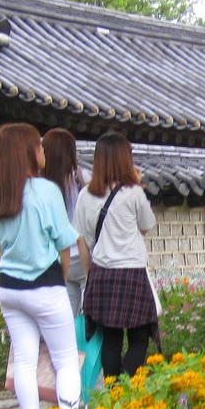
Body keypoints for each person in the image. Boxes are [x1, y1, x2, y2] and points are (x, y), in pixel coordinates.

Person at [0, 122, 82, 409]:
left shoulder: (0, 193)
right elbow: (65, 243)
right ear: (27, 152)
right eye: (38, 146)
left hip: (9, 289)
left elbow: (0, 241)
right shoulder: (46, 191)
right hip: (45, 286)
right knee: (65, 360)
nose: (43, 151)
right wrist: (62, 277)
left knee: (24, 360)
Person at [75, 132, 160, 380]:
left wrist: (89, 275)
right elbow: (145, 226)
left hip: (101, 273)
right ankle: (126, 386)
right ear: (125, 159)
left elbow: (83, 239)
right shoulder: (133, 193)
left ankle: (114, 391)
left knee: (111, 339)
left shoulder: (85, 195)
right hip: (132, 273)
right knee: (139, 338)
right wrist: (138, 183)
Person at [41, 128, 87, 315]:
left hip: (57, 258)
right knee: (87, 321)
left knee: (65, 318)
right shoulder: (82, 177)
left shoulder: (40, 183)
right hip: (84, 254)